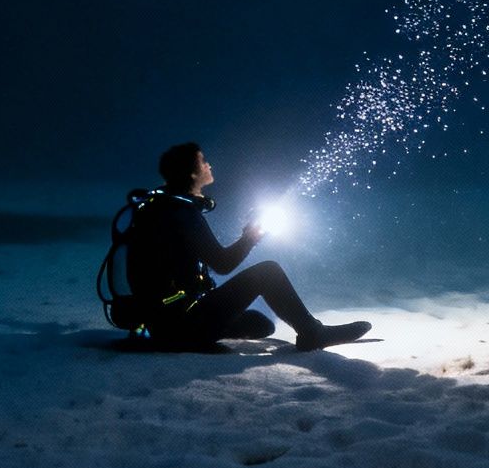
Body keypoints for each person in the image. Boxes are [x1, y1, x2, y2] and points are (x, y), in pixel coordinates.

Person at [120, 142, 370, 352]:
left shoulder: (157, 207)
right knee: (268, 272)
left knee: (262, 326)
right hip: (178, 325)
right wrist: (251, 236)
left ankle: (198, 331)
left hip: (159, 322)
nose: (209, 165)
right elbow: (222, 264)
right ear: (192, 173)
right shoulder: (181, 214)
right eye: (202, 161)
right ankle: (313, 333)